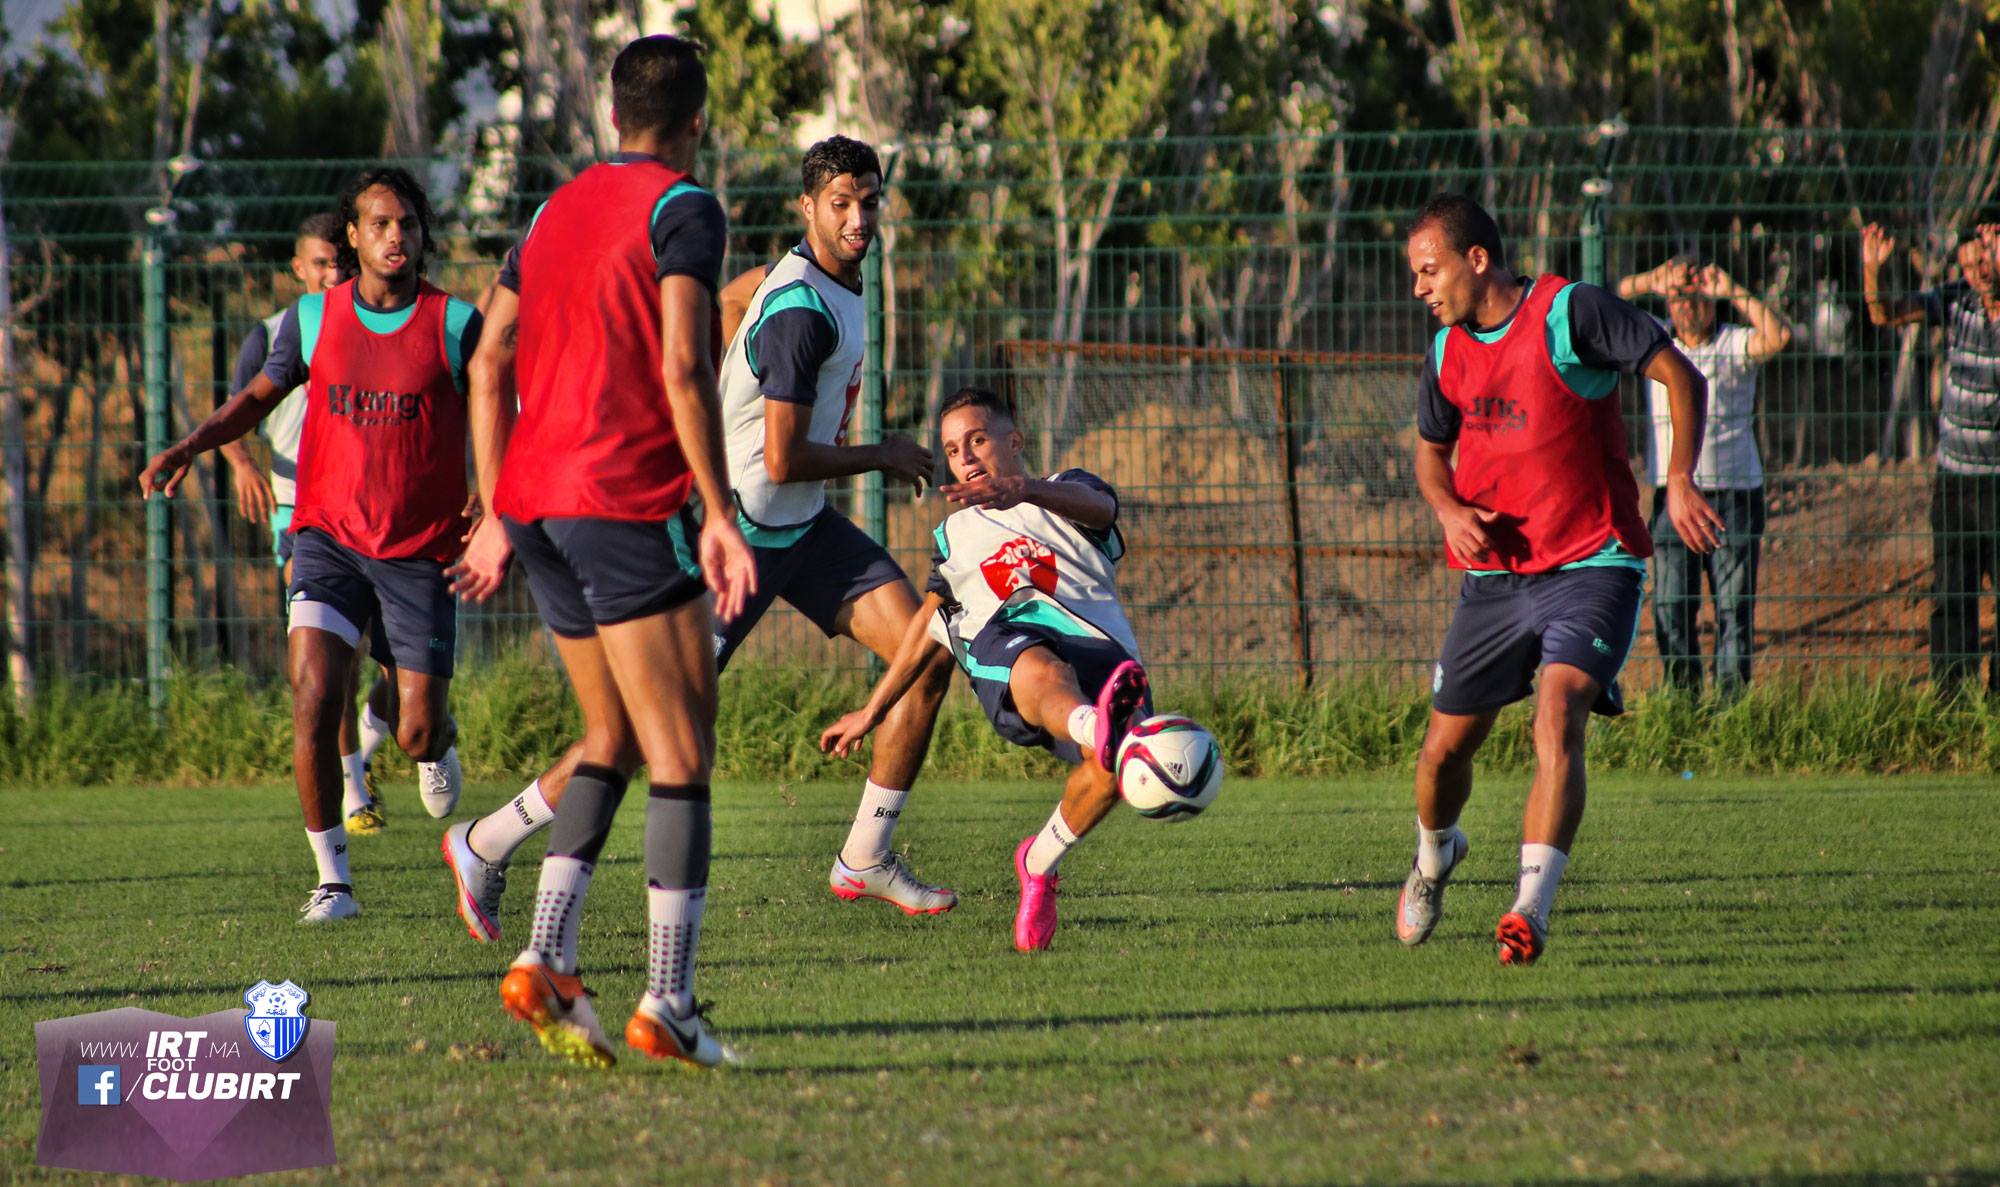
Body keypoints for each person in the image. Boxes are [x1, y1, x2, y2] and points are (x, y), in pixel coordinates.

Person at [441, 134, 958, 944]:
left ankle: (865, 854)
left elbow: (726, 305)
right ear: (807, 207)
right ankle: (485, 841)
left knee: (927, 653)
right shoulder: (800, 312)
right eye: (841, 204)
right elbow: (784, 456)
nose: (858, 219)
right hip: (744, 531)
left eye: (868, 201)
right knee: (646, 729)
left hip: (802, 526)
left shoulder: (810, 279)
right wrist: (879, 453)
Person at [452, 34, 753, 1069]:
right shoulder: (685, 208)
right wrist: (716, 508)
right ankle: (668, 999)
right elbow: (681, 363)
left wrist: (496, 505)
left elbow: (485, 360)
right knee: (681, 752)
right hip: (622, 499)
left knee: (610, 733)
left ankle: (544, 955)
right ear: (698, 122)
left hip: (536, 504)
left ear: (610, 116)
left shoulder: (547, 213)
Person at [139, 167, 479, 923]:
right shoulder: (311, 320)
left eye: (409, 225)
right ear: (352, 236)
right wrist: (188, 447)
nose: (396, 237)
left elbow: (501, 400)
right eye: (380, 224)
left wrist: (496, 491)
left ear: (423, 238)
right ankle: (334, 880)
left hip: (419, 550)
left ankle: (435, 739)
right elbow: (253, 400)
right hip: (325, 538)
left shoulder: (455, 323)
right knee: (315, 695)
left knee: (417, 726)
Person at [1398, 193, 1722, 967]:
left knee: (1559, 708)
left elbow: (1681, 375)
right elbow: (1428, 455)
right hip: (1495, 577)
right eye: (1415, 275)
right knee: (1443, 754)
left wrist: (1678, 478)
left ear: (1478, 260)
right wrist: (1446, 510)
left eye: (1429, 269)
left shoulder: (1568, 313)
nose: (1420, 288)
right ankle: (1435, 858)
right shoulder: (1445, 351)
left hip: (1592, 561)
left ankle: (1529, 908)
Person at [820, 387, 1153, 952]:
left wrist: (1028, 491)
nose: (966, 458)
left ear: (1014, 441)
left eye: (976, 440)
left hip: (1098, 646)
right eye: (952, 450)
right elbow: (928, 627)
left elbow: (1104, 509)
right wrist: (871, 710)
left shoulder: (1069, 489)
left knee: (1116, 771)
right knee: (1042, 668)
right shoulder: (956, 538)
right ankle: (1094, 725)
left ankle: (1039, 861)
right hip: (1011, 643)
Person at [222, 212, 402, 833]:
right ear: (297, 269)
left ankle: (372, 750)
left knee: (398, 663)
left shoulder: (368, 323)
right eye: (319, 264)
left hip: (374, 506)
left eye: (339, 263)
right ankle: (352, 789)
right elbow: (236, 410)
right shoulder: (272, 332)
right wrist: (242, 463)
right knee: (334, 657)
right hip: (299, 510)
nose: (332, 274)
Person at [1616, 257, 1792, 696]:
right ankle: (1683, 698)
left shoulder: (1733, 342)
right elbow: (1609, 307)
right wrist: (1648, 279)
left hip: (1733, 495)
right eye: (1677, 297)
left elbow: (1778, 336)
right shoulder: (1655, 342)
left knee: (1733, 607)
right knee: (1672, 605)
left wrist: (1733, 289)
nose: (1686, 306)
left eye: (1695, 297)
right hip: (1672, 498)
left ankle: (1731, 705)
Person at [1862, 221, 2000, 695]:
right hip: (1957, 478)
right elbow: (1885, 314)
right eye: (1970, 258)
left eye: (1987, 256)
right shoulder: (1955, 298)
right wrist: (1871, 270)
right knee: (1952, 596)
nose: (1979, 269)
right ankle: (1953, 703)